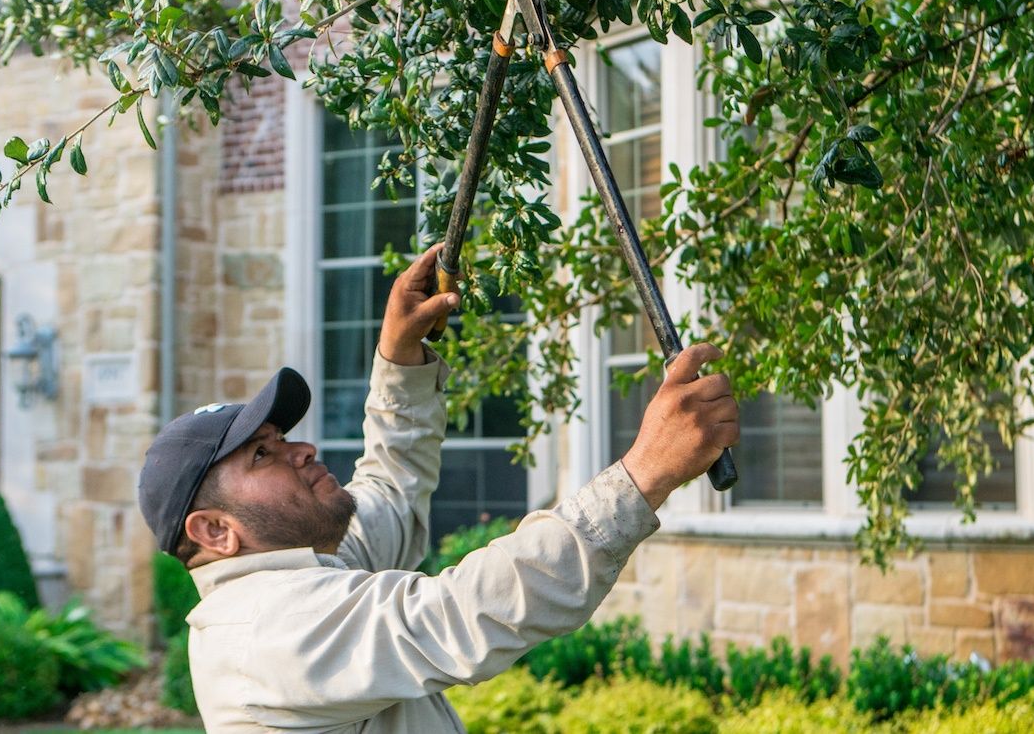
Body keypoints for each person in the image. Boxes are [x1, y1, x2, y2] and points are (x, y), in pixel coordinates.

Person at [137, 242, 740, 733]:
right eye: (263, 454)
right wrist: (645, 472)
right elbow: (464, 612)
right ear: (215, 531)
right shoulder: (266, 635)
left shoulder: (305, 577)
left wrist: (399, 360)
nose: (303, 449)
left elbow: (390, 489)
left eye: (282, 437)